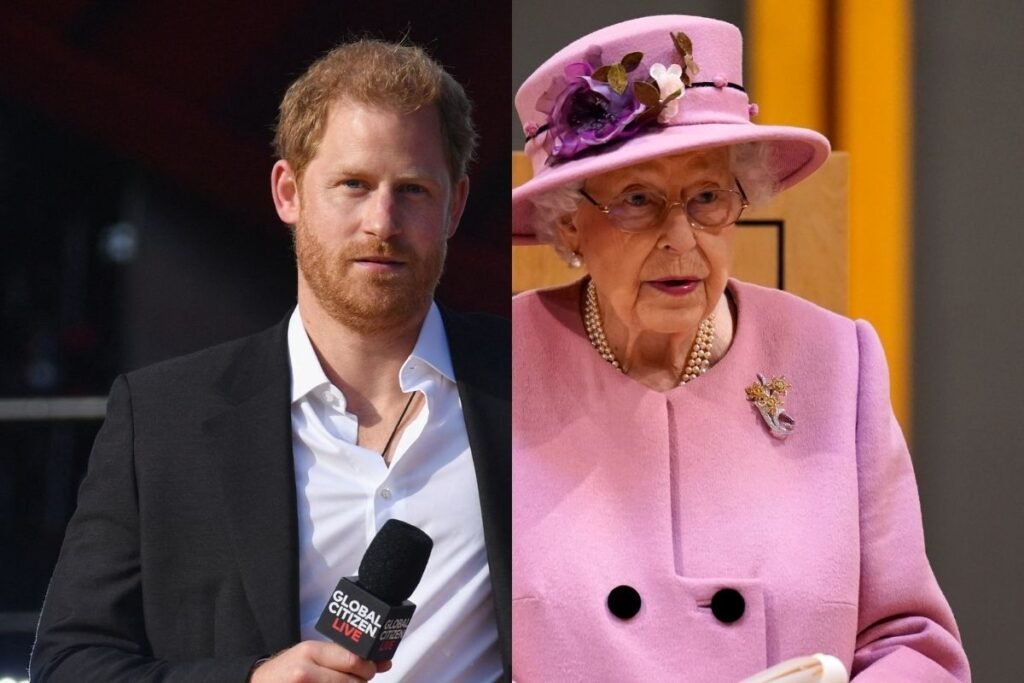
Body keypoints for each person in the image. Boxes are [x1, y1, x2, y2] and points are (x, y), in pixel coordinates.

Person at [31, 39, 509, 682]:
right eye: (353, 184)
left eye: (414, 190)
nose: (383, 221)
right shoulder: (163, 419)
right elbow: (67, 665)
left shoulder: (533, 387)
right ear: (288, 192)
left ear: (454, 205)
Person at [511, 16, 969, 682]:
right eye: (638, 201)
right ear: (570, 222)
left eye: (707, 198)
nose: (681, 238)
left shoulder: (838, 362)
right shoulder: (496, 367)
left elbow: (912, 644)